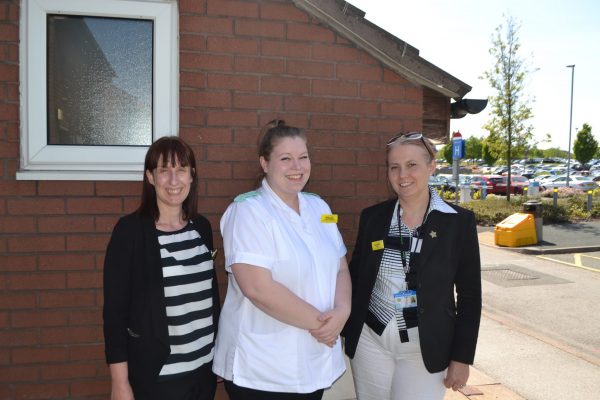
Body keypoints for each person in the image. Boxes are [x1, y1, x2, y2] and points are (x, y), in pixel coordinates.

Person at [212, 120, 351, 400]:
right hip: (263, 372)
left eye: (303, 157)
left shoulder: (320, 207)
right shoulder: (247, 211)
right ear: (265, 163)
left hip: (313, 364)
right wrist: (323, 325)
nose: (297, 167)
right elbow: (258, 289)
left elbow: (340, 265)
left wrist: (343, 311)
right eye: (285, 159)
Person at [341, 132, 482, 400]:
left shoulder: (458, 223)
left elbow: (470, 297)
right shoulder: (373, 217)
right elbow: (356, 278)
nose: (402, 174)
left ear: (431, 166)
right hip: (372, 343)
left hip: (424, 349)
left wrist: (461, 357)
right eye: (394, 167)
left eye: (411, 165)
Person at [103, 136, 220, 400]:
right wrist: (119, 383)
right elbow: (114, 313)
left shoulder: (200, 228)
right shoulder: (130, 232)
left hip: (204, 370)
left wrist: (219, 354)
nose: (173, 180)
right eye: (164, 170)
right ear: (150, 177)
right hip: (160, 376)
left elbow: (210, 298)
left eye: (181, 169)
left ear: (192, 176)